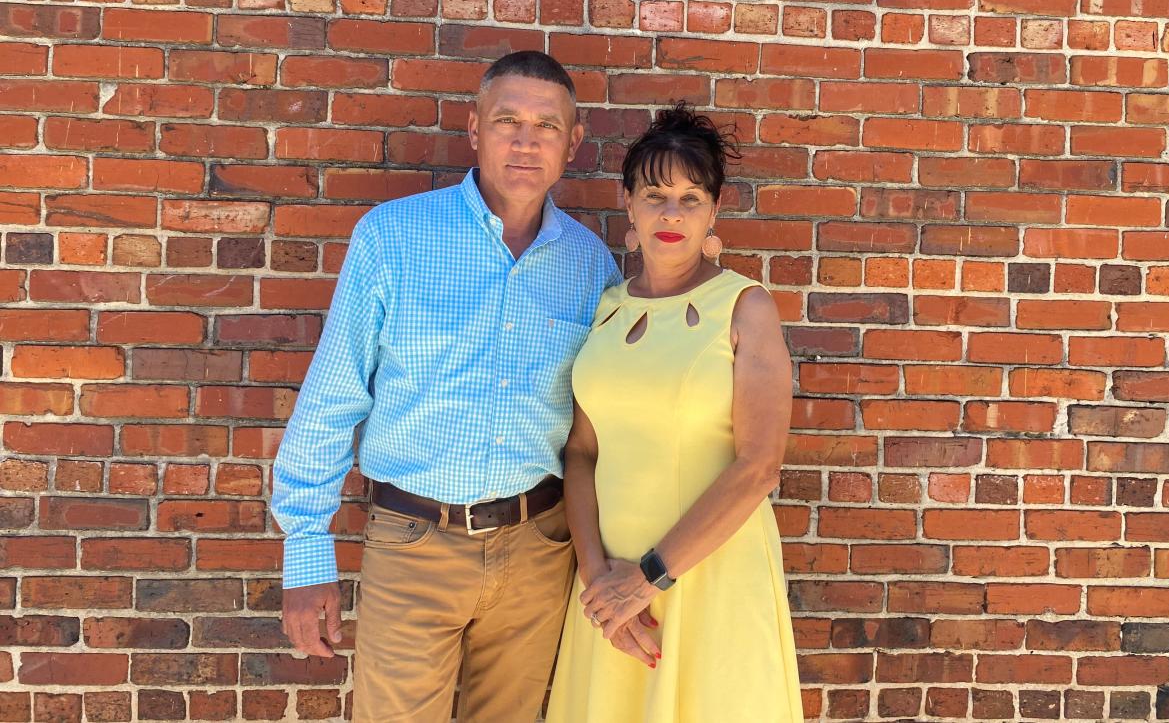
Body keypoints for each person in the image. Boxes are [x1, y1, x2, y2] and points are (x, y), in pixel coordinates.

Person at [270, 50, 622, 722]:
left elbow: (601, 425)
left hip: (537, 552)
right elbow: (333, 396)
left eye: (547, 125)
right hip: (413, 545)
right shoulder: (393, 238)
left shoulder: (590, 266)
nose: (525, 141)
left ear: (573, 143)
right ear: (473, 128)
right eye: (506, 120)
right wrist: (306, 549)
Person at [546, 103, 802, 722]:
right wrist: (598, 581)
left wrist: (649, 578)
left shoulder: (745, 308)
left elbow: (759, 466)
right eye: (656, 194)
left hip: (706, 576)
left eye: (691, 198)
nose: (671, 212)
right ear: (628, 205)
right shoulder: (605, 308)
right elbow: (581, 452)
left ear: (714, 211)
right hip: (609, 589)